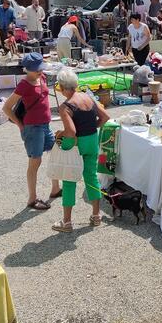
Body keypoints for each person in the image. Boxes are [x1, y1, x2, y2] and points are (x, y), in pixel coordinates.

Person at [50, 67, 111, 232]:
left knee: (69, 179)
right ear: (75, 84)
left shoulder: (65, 107)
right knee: (91, 176)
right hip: (92, 139)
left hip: (76, 143)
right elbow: (105, 117)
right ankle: (96, 215)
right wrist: (92, 127)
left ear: (62, 88)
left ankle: (67, 222)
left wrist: (60, 133)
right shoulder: (88, 97)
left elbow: (71, 132)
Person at [2, 53, 62, 211]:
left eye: (40, 68)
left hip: (45, 125)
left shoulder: (42, 78)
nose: (40, 71)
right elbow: (6, 108)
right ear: (27, 69)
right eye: (36, 69)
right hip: (33, 128)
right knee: (35, 162)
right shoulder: (24, 84)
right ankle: (32, 198)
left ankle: (55, 188)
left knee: (55, 153)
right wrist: (20, 125)